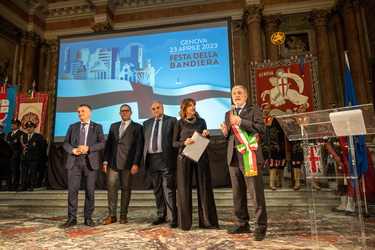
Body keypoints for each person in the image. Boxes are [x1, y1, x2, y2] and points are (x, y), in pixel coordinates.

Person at [220, 85, 267, 241]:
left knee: (255, 193)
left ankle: (260, 226)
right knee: (238, 194)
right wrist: (226, 134)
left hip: (250, 157)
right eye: (234, 93)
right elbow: (232, 137)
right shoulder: (228, 114)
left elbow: (261, 128)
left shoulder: (254, 110)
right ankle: (242, 223)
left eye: (239, 93)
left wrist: (242, 121)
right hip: (233, 158)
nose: (236, 95)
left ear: (246, 96)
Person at [172, 98, 219, 231]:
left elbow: (205, 138)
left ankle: (207, 222)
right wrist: (184, 143)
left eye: (194, 105)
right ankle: (185, 224)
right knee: (184, 189)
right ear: (184, 108)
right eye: (190, 105)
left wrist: (207, 134)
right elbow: (174, 143)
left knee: (204, 188)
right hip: (184, 157)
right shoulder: (179, 123)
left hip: (201, 156)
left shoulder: (201, 121)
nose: (193, 107)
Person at [60, 104, 106, 229]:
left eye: (83, 111)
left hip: (89, 162)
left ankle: (88, 217)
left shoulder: (97, 127)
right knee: (72, 192)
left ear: (90, 112)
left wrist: (89, 148)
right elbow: (66, 143)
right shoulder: (73, 127)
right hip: (74, 161)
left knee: (90, 191)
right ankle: (72, 218)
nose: (80, 113)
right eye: (78, 111)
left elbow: (102, 143)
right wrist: (72, 150)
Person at [102, 104, 144, 225]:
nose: (124, 112)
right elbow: (109, 144)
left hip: (128, 163)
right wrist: (105, 161)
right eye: (122, 111)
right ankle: (112, 215)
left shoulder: (137, 127)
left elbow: (139, 147)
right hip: (113, 163)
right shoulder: (113, 126)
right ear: (120, 113)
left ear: (131, 113)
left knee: (126, 188)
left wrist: (136, 163)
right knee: (111, 188)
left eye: (127, 111)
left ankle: (123, 215)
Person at [142, 101, 178, 228]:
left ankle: (173, 217)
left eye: (158, 108)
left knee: (168, 188)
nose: (155, 110)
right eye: (153, 109)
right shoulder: (146, 123)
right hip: (151, 159)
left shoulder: (172, 120)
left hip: (165, 159)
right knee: (157, 189)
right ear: (151, 111)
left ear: (162, 108)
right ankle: (160, 215)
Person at [290, 103, 320, 190]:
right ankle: (297, 182)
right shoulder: (293, 120)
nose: (300, 110)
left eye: (302, 108)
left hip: (309, 143)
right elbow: (290, 131)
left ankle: (313, 182)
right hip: (296, 143)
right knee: (297, 162)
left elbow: (315, 129)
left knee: (311, 162)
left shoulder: (311, 119)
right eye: (299, 109)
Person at [259, 103, 286, 190]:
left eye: (267, 108)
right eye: (264, 108)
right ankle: (260, 183)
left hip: (274, 145)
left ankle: (272, 183)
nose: (266, 110)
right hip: (262, 146)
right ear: (262, 110)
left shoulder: (274, 120)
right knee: (261, 165)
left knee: (273, 164)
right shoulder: (259, 120)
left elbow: (281, 133)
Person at [18, 121, 47, 192]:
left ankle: (32, 185)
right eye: (27, 127)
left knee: (33, 172)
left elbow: (42, 148)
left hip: (34, 158)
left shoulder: (38, 137)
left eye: (30, 127)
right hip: (24, 158)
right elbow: (20, 147)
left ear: (34, 128)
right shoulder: (23, 137)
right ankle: (23, 186)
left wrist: (39, 157)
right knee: (24, 173)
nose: (29, 129)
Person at [5, 119, 25, 191]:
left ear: (18, 126)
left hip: (16, 155)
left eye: (15, 124)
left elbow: (21, 146)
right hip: (8, 155)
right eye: (12, 124)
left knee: (15, 171)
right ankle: (8, 184)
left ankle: (15, 185)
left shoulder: (21, 134)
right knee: (8, 171)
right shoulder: (9, 134)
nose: (13, 125)